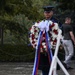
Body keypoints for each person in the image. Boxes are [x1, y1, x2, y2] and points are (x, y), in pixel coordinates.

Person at [37, 6, 62, 75]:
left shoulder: (56, 22)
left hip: (52, 47)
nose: (47, 14)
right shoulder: (41, 22)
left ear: (52, 13)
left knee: (51, 66)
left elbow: (59, 34)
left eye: (48, 12)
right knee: (44, 67)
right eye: (45, 12)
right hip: (43, 47)